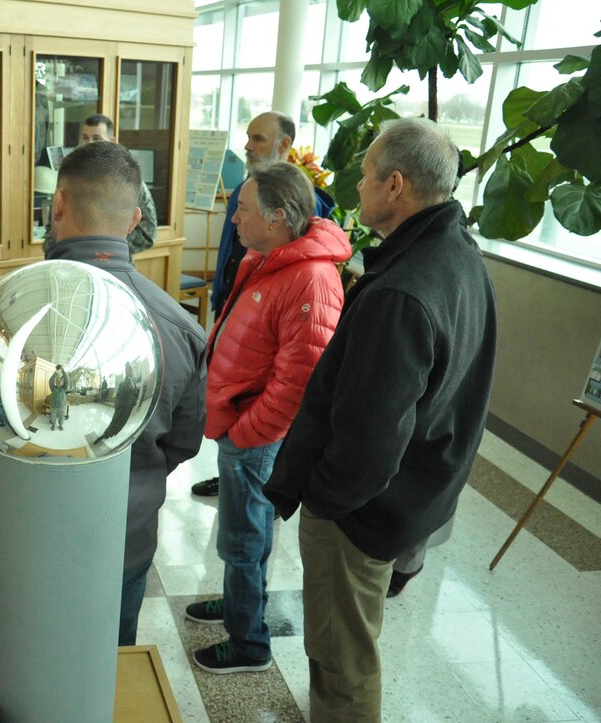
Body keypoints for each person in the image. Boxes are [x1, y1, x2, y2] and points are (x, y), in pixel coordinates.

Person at [264, 118, 497, 722]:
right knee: (348, 648)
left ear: (395, 185)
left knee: (341, 658)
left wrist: (325, 500)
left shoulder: (404, 292)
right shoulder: (457, 255)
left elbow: (369, 441)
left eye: (366, 177)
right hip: (414, 495)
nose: (357, 187)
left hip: (362, 514)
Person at [0, 141, 207, 646]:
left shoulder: (5, 313)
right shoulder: (179, 324)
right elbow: (181, 446)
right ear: (133, 220)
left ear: (57, 205)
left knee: (20, 670)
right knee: (109, 669)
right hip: (122, 545)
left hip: (23, 547)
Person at [184, 162, 350, 674]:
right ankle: (239, 603)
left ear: (279, 217)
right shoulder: (270, 257)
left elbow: (299, 383)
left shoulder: (311, 279)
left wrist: (247, 430)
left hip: (257, 435)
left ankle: (249, 643)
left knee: (246, 537)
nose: (233, 219)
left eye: (244, 210)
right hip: (241, 426)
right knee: (241, 534)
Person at [194, 111, 337, 498]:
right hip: (239, 308)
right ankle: (234, 476)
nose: (247, 146)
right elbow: (234, 249)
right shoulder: (249, 190)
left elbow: (295, 376)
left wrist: (247, 435)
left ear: (284, 145)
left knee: (252, 499)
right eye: (249, 137)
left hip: (254, 426)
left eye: (257, 138)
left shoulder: (301, 210)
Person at [42, 113, 157, 255]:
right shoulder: (70, 175)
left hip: (112, 266)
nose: (89, 143)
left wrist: (99, 247)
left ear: (112, 141)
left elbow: (147, 235)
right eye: (85, 138)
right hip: (70, 263)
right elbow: (53, 225)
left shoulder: (128, 180)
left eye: (97, 139)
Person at [98, 362, 139, 442]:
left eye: (132, 369)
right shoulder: (123, 384)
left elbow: (134, 393)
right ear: (127, 371)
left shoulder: (132, 382)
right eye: (131, 369)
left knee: (121, 424)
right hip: (122, 410)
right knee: (115, 422)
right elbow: (118, 400)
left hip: (128, 409)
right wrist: (119, 411)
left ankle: (111, 434)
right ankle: (106, 434)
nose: (132, 371)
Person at [49, 363, 69, 430]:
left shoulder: (64, 389)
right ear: (56, 382)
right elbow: (50, 381)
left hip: (62, 406)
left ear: (61, 382)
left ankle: (60, 424)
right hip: (54, 406)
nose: (58, 382)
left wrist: (63, 371)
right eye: (57, 381)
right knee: (53, 417)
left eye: (59, 381)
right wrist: (56, 372)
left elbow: (67, 381)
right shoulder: (53, 388)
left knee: (61, 416)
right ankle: (53, 425)